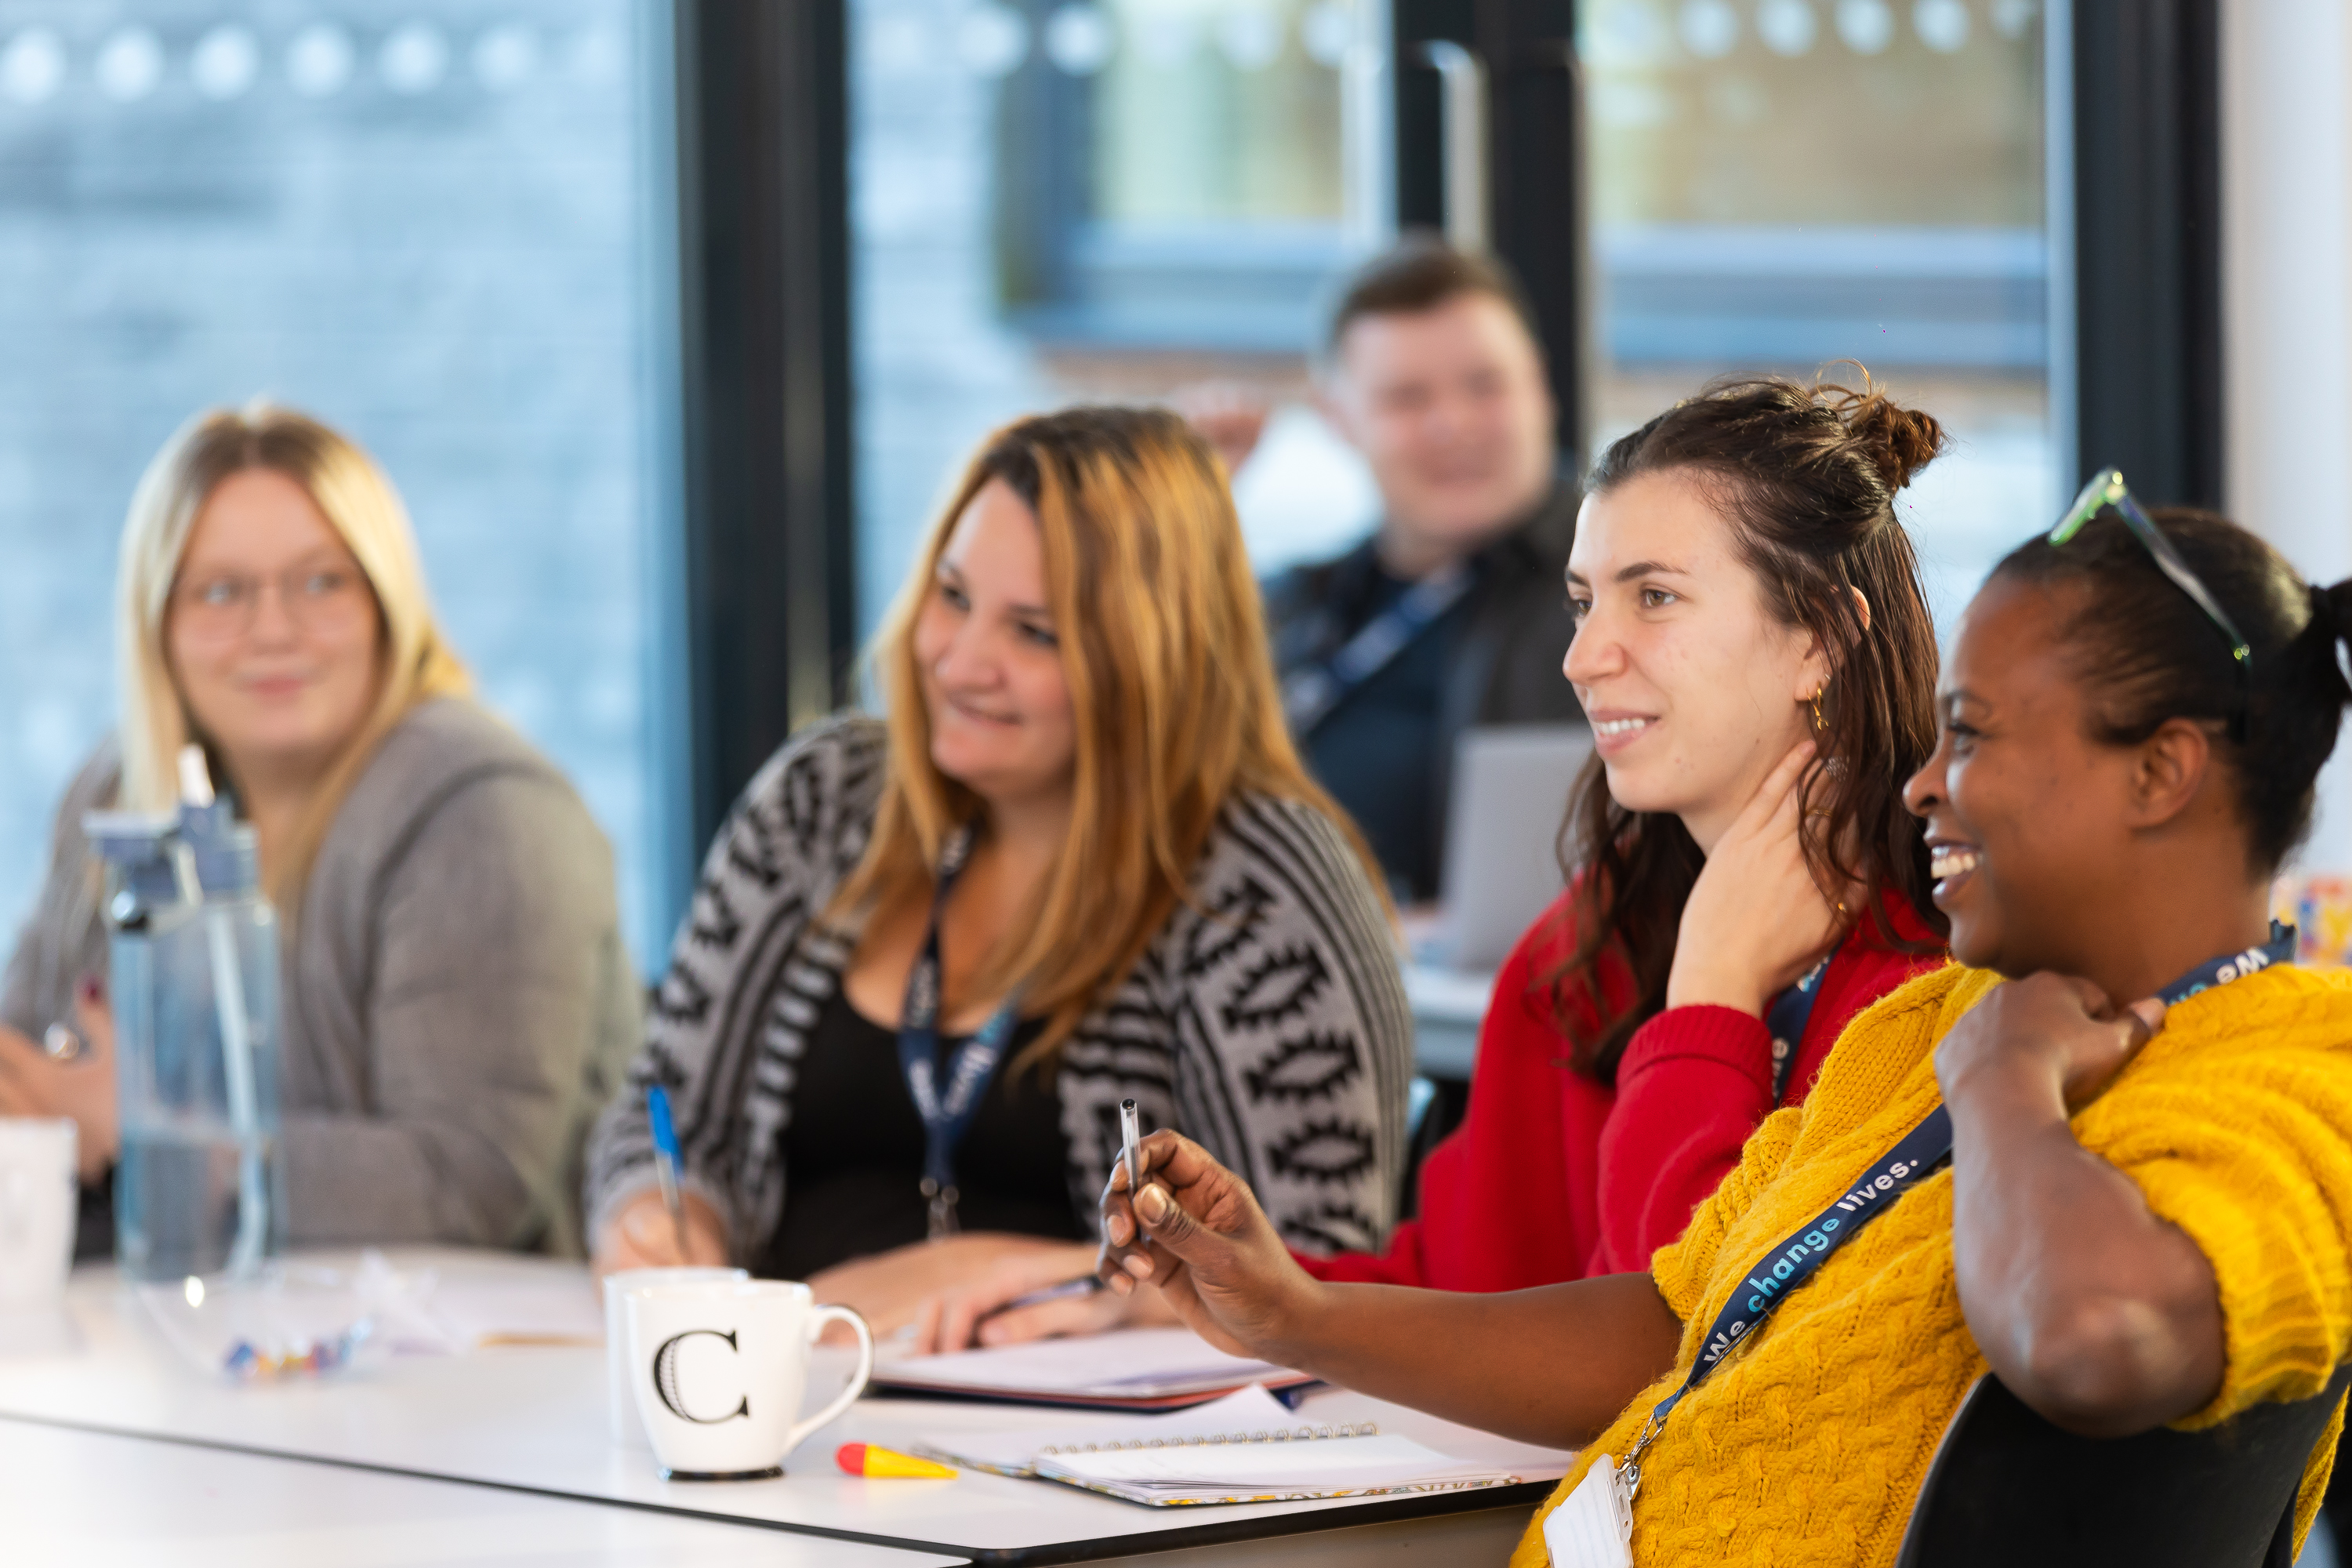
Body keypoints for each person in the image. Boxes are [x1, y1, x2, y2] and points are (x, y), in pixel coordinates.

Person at [1099, 493, 2352, 1564]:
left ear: (2161, 773)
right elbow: (1676, 1317)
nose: (1925, 782)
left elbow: (2094, 1342)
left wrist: (2010, 1083)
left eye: (1970, 737)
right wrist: (1295, 1314)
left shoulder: (2297, 1067)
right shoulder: (1932, 1021)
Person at [924, 373, 1947, 1352]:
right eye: (1585, 602)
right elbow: (1473, 1292)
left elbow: (1695, 1355)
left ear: (1822, 637)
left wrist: (1711, 1002)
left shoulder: (1942, 981)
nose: (1583, 656)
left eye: (1656, 599)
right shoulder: (1582, 952)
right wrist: (1218, 1293)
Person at [583, 407, 1410, 1336]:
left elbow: (1330, 1271)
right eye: (952, 594)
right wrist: (654, 1215)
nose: (961, 660)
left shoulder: (1259, 878)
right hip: (801, 1398)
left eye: (1035, 632)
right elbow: (660, 1112)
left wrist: (1046, 1275)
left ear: (1150, 658)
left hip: (1081, 1452)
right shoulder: (821, 801)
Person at [0, 401, 638, 1257]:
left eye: (320, 582)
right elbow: (32, 1079)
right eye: (221, 591)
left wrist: (145, 1129)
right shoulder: (115, 792)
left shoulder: (484, 813)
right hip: (163, 1337)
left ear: (385, 601)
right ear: (159, 625)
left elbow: (470, 1181)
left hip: (466, 1361)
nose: (273, 629)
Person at [1244, 237, 1584, 905]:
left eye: (1485, 386)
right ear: (1337, 418)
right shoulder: (1294, 608)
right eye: (1407, 398)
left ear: (1540, 388)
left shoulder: (1625, 593)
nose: (1453, 425)